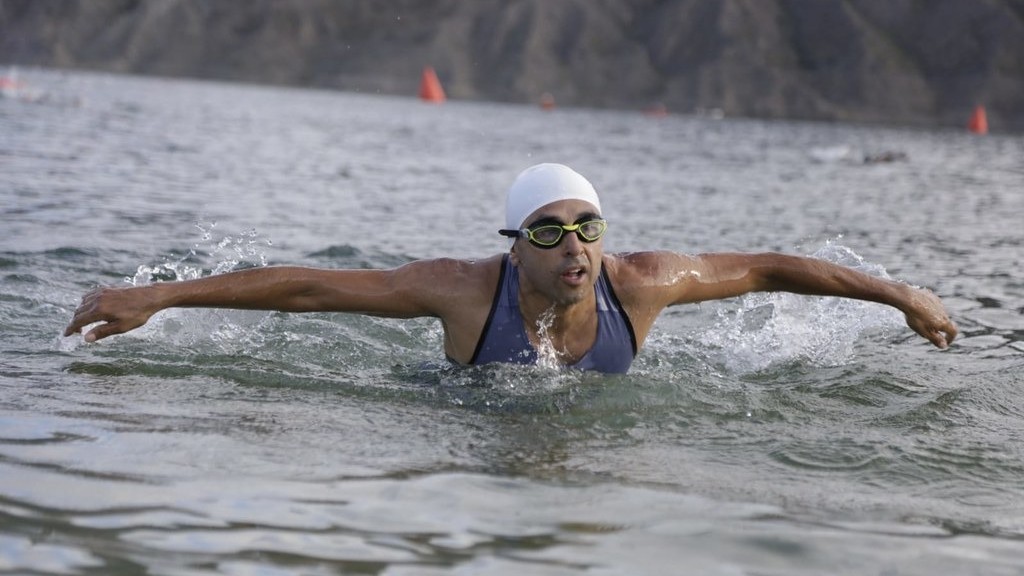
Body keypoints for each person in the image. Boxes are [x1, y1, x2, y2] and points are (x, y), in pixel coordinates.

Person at [64, 163, 958, 373]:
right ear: (513, 243)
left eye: (587, 228)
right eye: (549, 231)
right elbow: (310, 288)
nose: (574, 247)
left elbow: (765, 270)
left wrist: (898, 295)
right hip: (463, 413)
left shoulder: (640, 283)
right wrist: (160, 297)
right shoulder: (460, 290)